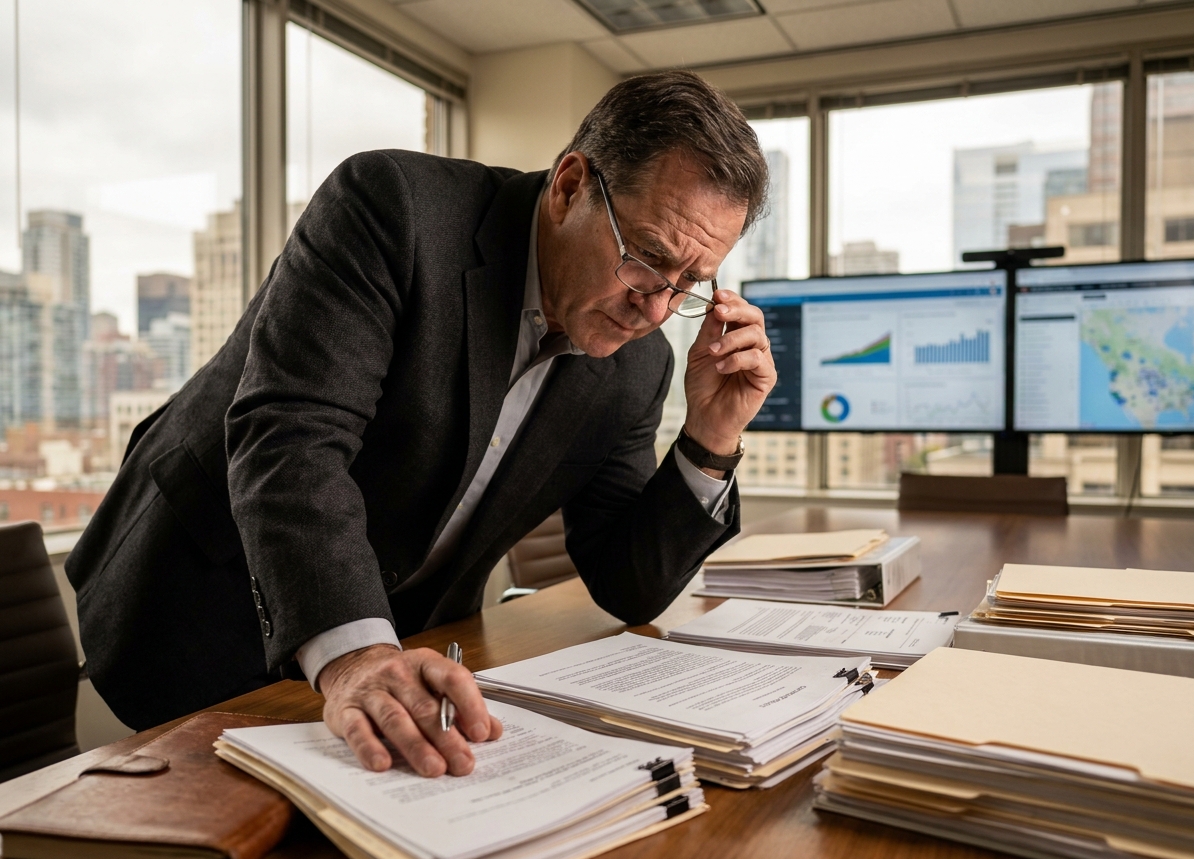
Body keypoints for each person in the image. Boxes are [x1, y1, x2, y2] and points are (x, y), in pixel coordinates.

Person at [66, 70, 775, 777]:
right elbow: (293, 438)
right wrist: (355, 653)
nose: (657, 309)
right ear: (569, 187)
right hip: (201, 593)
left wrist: (711, 438)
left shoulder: (638, 365)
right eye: (647, 258)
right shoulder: (396, 208)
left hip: (402, 648)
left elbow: (628, 586)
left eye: (690, 282)